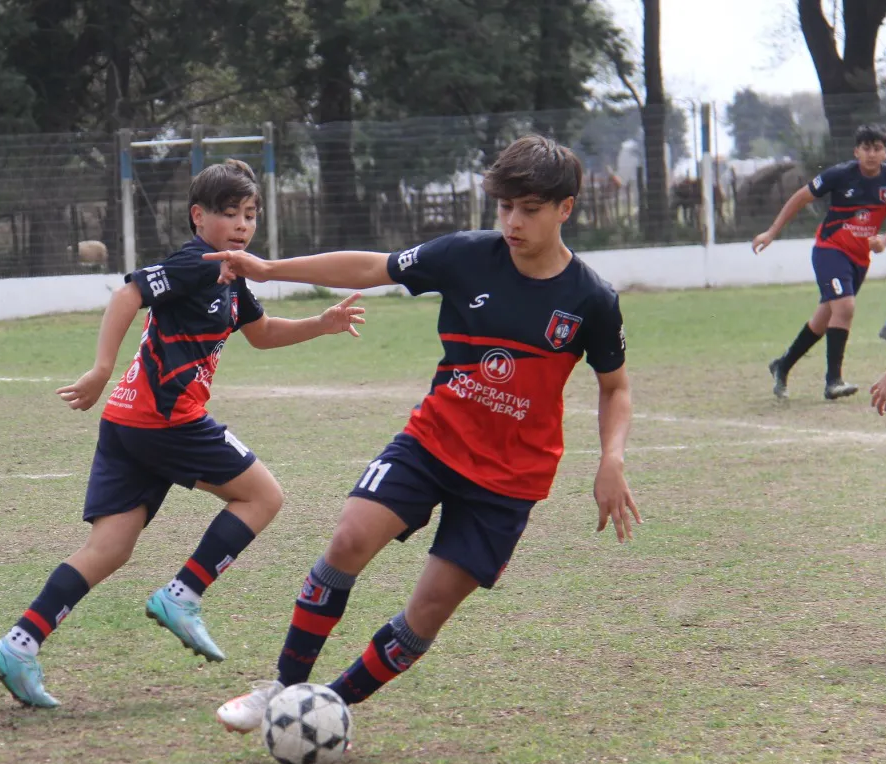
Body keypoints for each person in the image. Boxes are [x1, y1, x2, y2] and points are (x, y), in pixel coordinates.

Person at [206, 135, 641, 731]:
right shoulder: (466, 255)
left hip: (510, 479)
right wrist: (270, 269)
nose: (513, 222)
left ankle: (321, 711)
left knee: (427, 613)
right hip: (432, 442)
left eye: (530, 209)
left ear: (566, 209)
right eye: (505, 207)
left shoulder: (591, 299)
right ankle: (282, 687)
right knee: (348, 541)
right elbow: (373, 267)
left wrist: (610, 458)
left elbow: (615, 387)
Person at [0, 159, 366, 707]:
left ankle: (19, 645)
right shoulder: (199, 264)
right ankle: (182, 595)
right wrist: (99, 368)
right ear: (198, 216)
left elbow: (260, 334)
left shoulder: (234, 280)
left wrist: (319, 325)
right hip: (165, 421)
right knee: (263, 496)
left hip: (130, 424)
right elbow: (128, 293)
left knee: (109, 548)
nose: (241, 225)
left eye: (250, 215)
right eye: (228, 213)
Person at [754, 124, 886, 400]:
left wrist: (884, 241)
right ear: (856, 151)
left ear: (885, 152)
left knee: (824, 319)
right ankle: (833, 381)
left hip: (859, 259)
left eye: (877, 148)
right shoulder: (840, 175)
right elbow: (800, 197)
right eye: (866, 148)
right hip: (830, 250)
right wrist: (772, 232)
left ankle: (782, 365)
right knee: (845, 306)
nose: (871, 154)